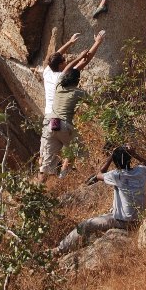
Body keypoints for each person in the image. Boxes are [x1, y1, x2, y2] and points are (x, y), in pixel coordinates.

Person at [57, 145, 146, 253]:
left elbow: (99, 175)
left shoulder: (116, 175)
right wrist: (135, 155)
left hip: (123, 222)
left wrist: (110, 157)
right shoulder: (141, 171)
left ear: (115, 162)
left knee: (85, 224)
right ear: (130, 159)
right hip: (139, 218)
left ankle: (59, 249)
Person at [38, 30, 106, 183]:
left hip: (49, 120)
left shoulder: (47, 73)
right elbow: (82, 63)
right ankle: (64, 176)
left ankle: (37, 190)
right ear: (62, 65)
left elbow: (54, 57)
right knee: (75, 147)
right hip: (61, 120)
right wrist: (96, 44)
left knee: (45, 163)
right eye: (64, 60)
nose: (65, 60)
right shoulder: (61, 80)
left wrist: (70, 42)